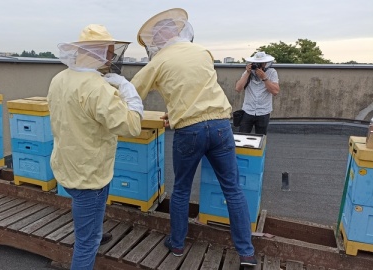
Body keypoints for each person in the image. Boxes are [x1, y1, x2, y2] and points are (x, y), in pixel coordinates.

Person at [105, 8, 257, 266]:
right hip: (221, 126)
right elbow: (196, 88)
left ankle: (177, 245)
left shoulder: (158, 62)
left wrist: (108, 87)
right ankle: (247, 253)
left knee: (182, 189)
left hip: (190, 131)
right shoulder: (202, 53)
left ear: (159, 39)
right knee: (232, 189)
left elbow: (131, 92)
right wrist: (173, 111)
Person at [46, 24, 143, 270]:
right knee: (86, 244)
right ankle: (91, 235)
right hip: (90, 172)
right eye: (108, 51)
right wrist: (128, 91)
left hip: (67, 163)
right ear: (98, 52)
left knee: (87, 211)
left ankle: (93, 230)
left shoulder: (58, 79)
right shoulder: (98, 87)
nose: (111, 56)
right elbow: (132, 126)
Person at [235, 51, 280, 135]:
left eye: (261, 63)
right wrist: (247, 73)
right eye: (256, 63)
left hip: (264, 111)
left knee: (261, 139)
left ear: (265, 63)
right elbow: (238, 88)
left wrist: (264, 78)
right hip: (248, 110)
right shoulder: (248, 72)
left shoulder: (272, 72)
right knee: (242, 136)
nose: (258, 66)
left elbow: (275, 91)